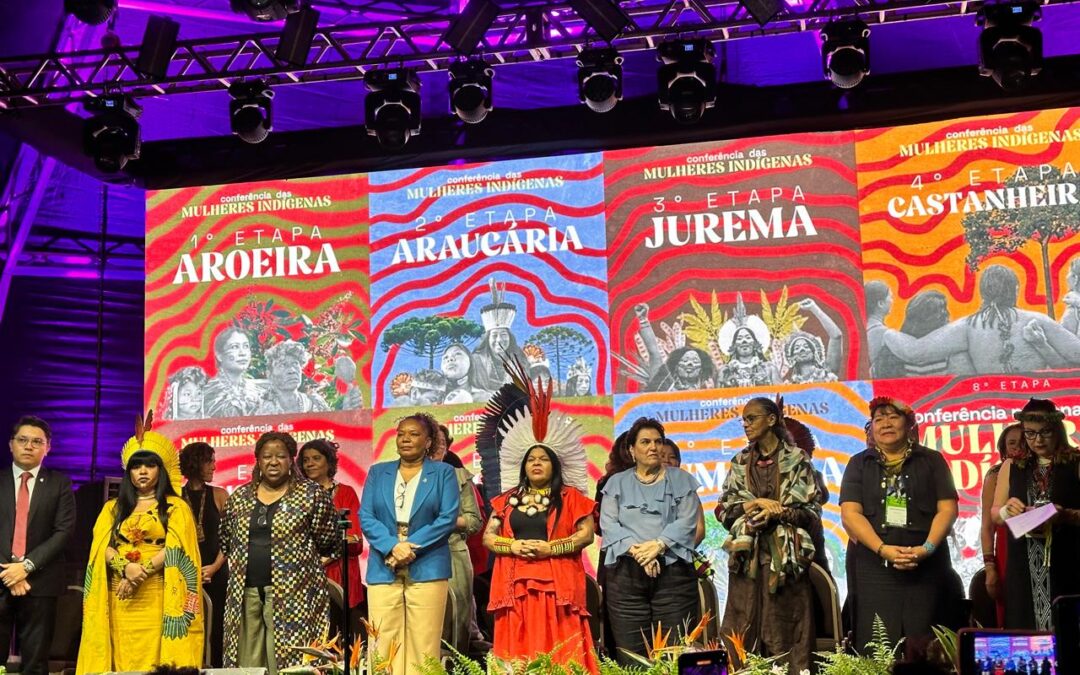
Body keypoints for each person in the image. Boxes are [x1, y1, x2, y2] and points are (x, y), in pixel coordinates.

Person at [480, 367, 598, 671]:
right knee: (518, 657)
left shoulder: (572, 498)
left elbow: (585, 535)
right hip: (514, 586)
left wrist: (550, 549)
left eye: (543, 458)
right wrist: (513, 548)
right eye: (530, 459)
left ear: (555, 464)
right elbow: (489, 537)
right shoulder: (505, 501)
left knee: (562, 654)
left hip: (558, 588)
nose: (536, 463)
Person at [78, 413, 204, 672]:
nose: (143, 472)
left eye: (149, 465)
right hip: (119, 595)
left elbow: (177, 548)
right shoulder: (112, 508)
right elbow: (102, 547)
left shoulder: (176, 507)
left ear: (162, 470)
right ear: (129, 473)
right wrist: (126, 568)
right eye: (136, 467)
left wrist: (141, 570)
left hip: (158, 593)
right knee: (122, 657)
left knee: (157, 659)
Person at [840, 397, 959, 651]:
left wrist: (926, 548)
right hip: (874, 565)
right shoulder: (858, 464)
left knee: (926, 639)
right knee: (877, 642)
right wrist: (884, 550)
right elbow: (851, 514)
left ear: (909, 424)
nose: (885, 423)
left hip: (927, 564)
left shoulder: (932, 460)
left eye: (893, 417)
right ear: (871, 427)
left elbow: (947, 509)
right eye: (878, 419)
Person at [219, 431, 338, 674]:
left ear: (291, 459)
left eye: (281, 456)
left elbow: (328, 540)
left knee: (290, 659)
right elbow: (226, 540)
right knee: (247, 659)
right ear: (258, 460)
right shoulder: (240, 497)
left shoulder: (311, 494)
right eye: (267, 456)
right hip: (246, 590)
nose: (273, 462)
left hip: (295, 594)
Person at [717, 397, 820, 673]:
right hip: (746, 561)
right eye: (744, 420)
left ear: (772, 420)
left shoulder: (797, 460)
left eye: (751, 418)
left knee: (786, 634)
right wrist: (752, 506)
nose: (746, 424)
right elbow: (724, 513)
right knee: (740, 631)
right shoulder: (739, 462)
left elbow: (811, 515)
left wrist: (778, 513)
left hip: (786, 563)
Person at [360, 413, 459, 674]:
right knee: (382, 638)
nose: (405, 439)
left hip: (427, 562)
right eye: (401, 433)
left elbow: (447, 518)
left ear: (428, 442)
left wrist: (408, 546)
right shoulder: (378, 472)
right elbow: (366, 516)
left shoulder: (444, 473)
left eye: (414, 434)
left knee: (423, 640)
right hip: (384, 561)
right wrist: (393, 546)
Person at [600, 417, 702, 665]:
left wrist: (657, 546)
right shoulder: (616, 482)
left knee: (674, 655)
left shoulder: (681, 479)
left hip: (674, 578)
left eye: (658, 441)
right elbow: (609, 524)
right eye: (645, 442)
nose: (653, 447)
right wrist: (639, 552)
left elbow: (688, 521)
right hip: (626, 579)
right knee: (633, 657)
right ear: (632, 450)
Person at [992, 398, 1080, 630]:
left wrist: (1066, 515)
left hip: (1067, 559)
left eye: (1045, 433)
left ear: (1058, 431)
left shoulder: (1075, 462)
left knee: (1068, 631)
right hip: (1023, 563)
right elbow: (995, 515)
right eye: (1030, 434)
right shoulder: (1012, 466)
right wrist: (1007, 510)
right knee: (1025, 629)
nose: (1038, 440)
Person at [0, 416, 76, 675]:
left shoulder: (60, 484)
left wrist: (26, 567)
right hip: (1, 577)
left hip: (40, 582)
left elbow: (63, 531)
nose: (28, 446)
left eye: (36, 441)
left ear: (48, 447)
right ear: (11, 444)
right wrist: (11, 571)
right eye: (22, 440)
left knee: (36, 663)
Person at [300, 438, 365, 640]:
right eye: (305, 460)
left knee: (348, 644)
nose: (309, 463)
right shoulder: (297, 496)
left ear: (329, 462)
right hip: (307, 577)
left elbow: (354, 540)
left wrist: (325, 557)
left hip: (342, 574)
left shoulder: (345, 493)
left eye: (316, 458)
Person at [429, 426, 483, 654]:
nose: (437, 447)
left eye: (443, 443)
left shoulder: (459, 477)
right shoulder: (400, 478)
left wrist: (441, 520)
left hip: (453, 553)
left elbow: (473, 522)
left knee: (456, 623)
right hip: (415, 555)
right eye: (433, 442)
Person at [179, 441, 229, 667]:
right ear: (196, 463)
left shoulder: (220, 495)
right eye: (210, 461)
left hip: (216, 572)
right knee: (187, 624)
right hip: (184, 575)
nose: (214, 466)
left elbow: (230, 537)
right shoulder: (176, 498)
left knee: (217, 627)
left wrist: (214, 567)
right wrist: (189, 572)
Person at [981, 423, 1025, 627]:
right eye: (1012, 443)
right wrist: (990, 566)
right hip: (1007, 549)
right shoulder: (996, 475)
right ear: (1003, 448)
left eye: (1023, 441)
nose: (1017, 448)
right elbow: (988, 526)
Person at [203, 326, 266, 418]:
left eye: (246, 346)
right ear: (219, 355)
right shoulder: (208, 393)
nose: (242, 353)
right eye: (235, 347)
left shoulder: (258, 392)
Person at [256, 340, 330, 415]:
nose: (292, 370)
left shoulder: (314, 403)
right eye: (282, 365)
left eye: (295, 363)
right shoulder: (258, 406)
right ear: (269, 374)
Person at [659, 438, 706, 547]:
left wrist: (678, 555)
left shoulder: (687, 490)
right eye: (662, 456)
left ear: (678, 463)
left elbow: (700, 530)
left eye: (672, 457)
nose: (667, 460)